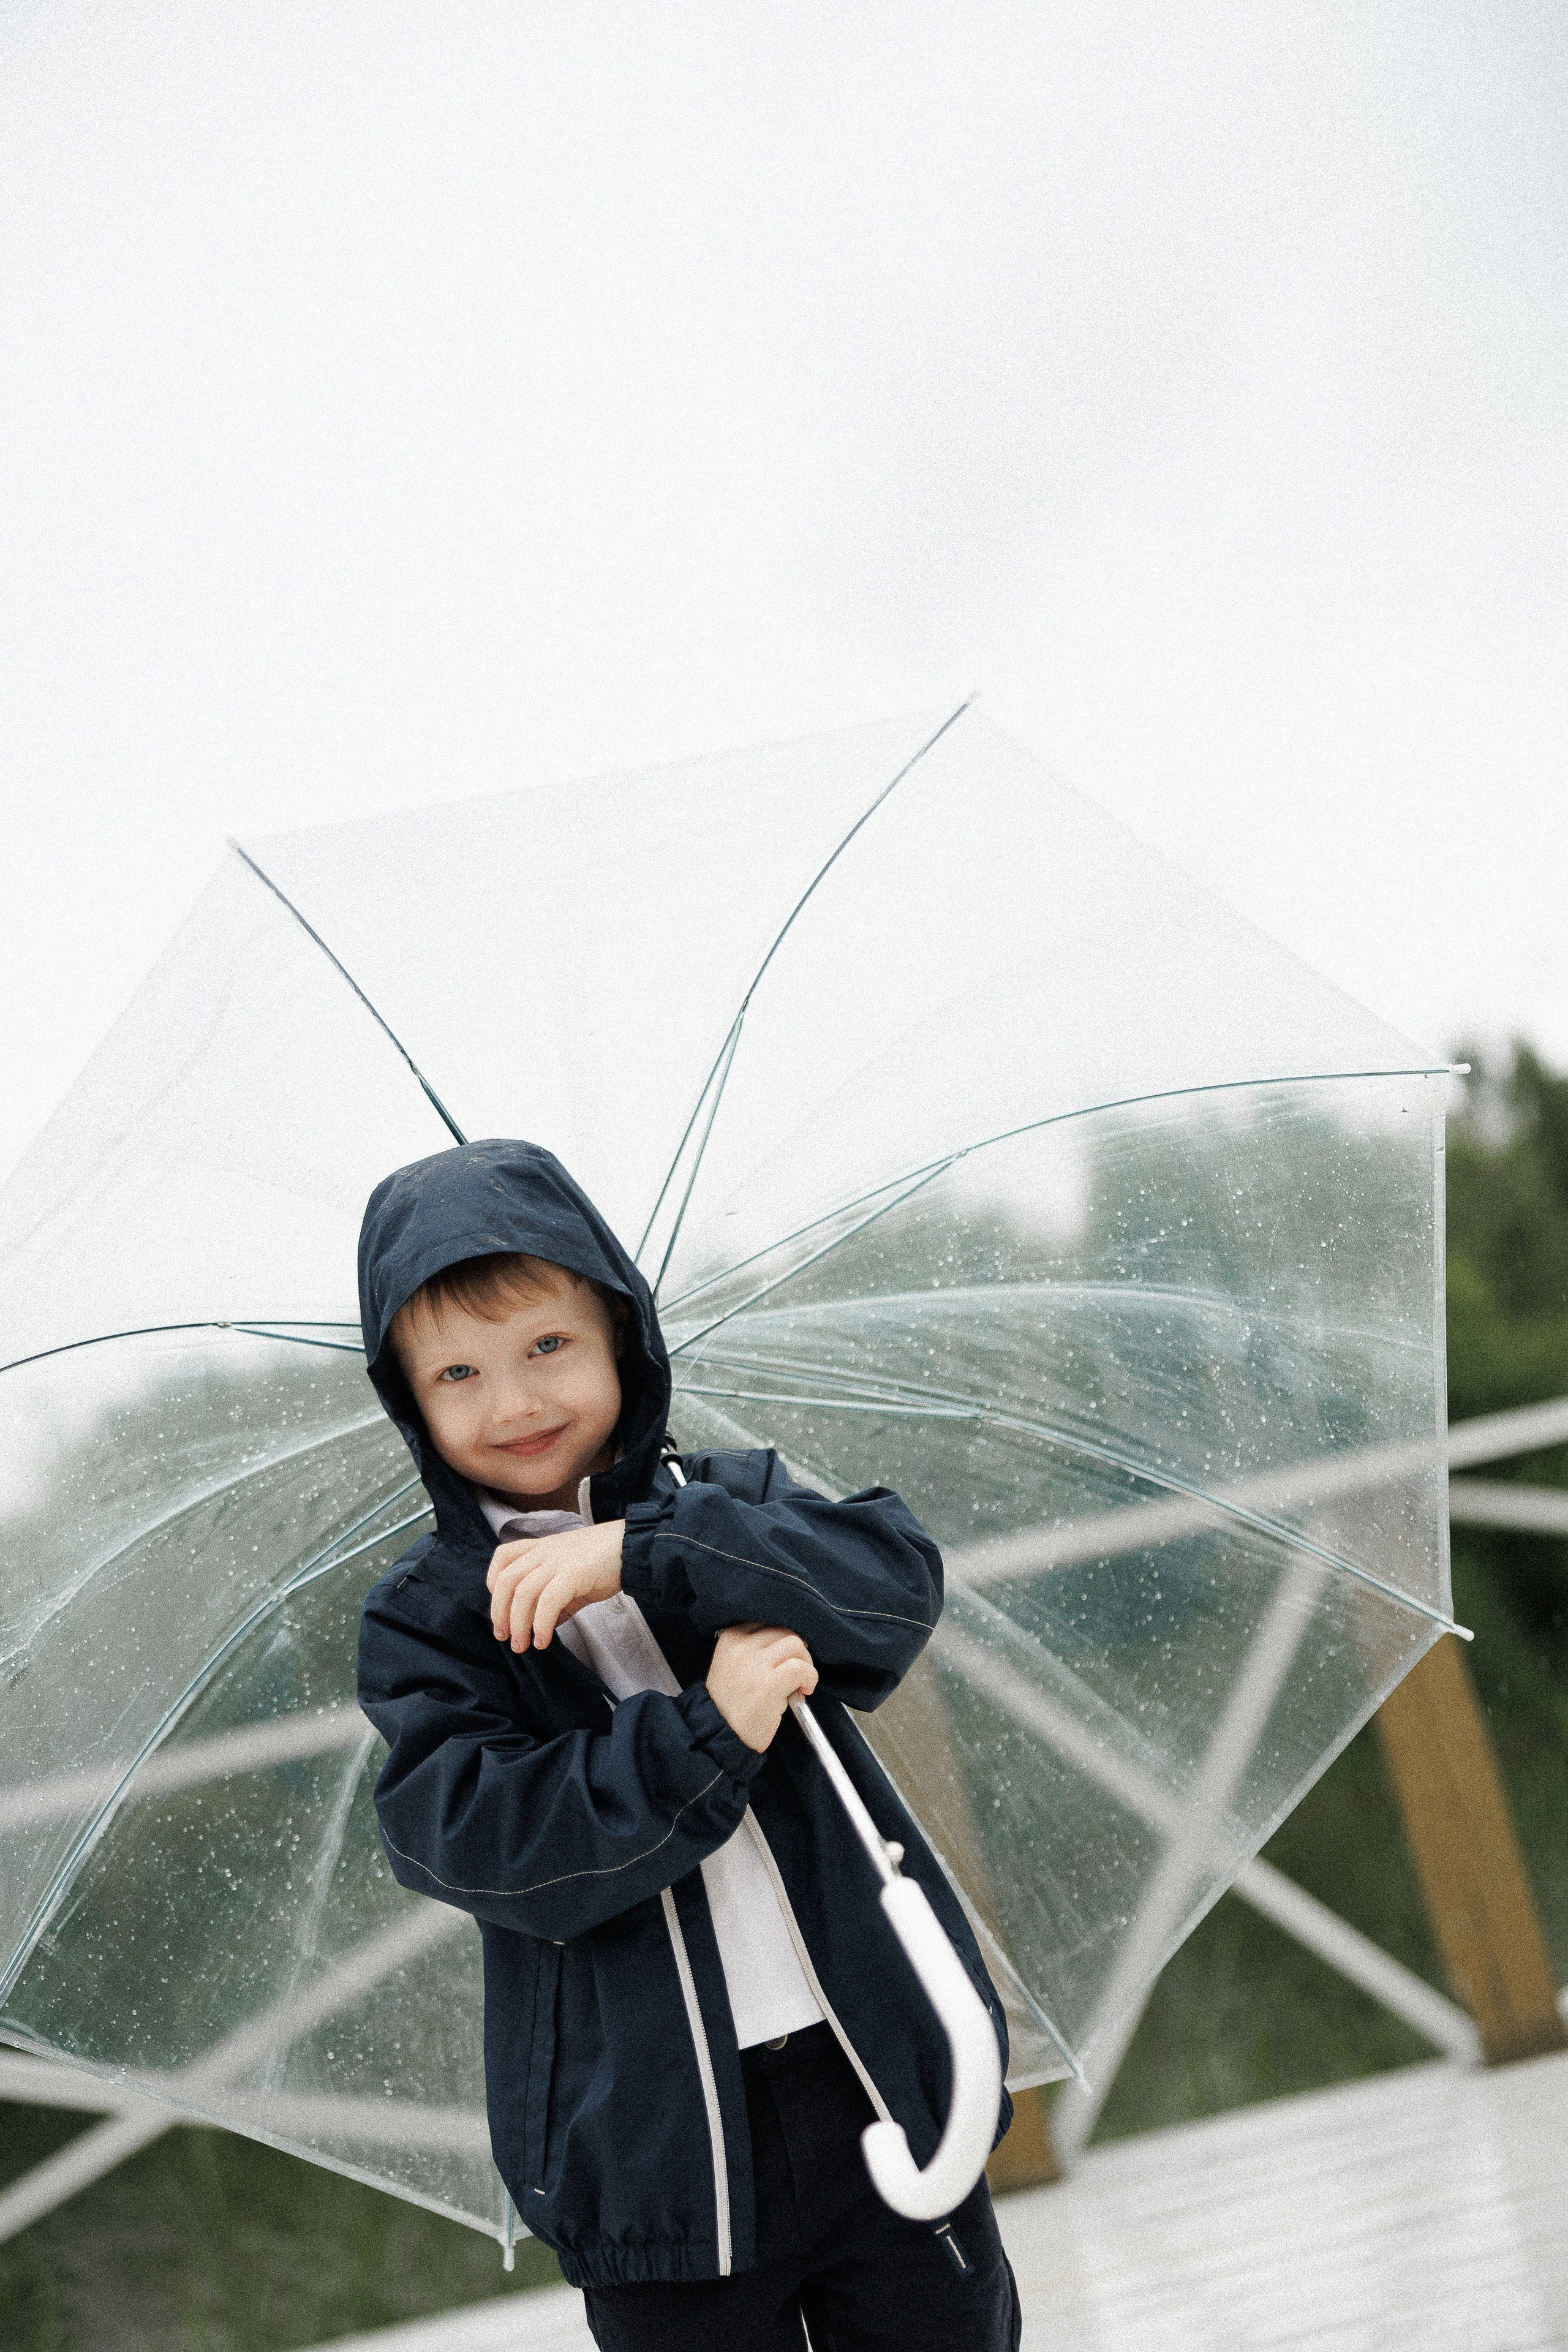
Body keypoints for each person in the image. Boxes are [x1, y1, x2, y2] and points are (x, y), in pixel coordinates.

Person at [356, 1138, 1022, 2351]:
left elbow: (890, 1589)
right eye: (458, 1372)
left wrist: (646, 1552)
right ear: (411, 1401)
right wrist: (711, 1731)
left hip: (877, 2070)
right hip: (649, 2150)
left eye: (547, 1347)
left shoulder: (728, 1505)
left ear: (620, 1336)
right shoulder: (427, 1622)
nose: (514, 1404)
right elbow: (496, 1843)